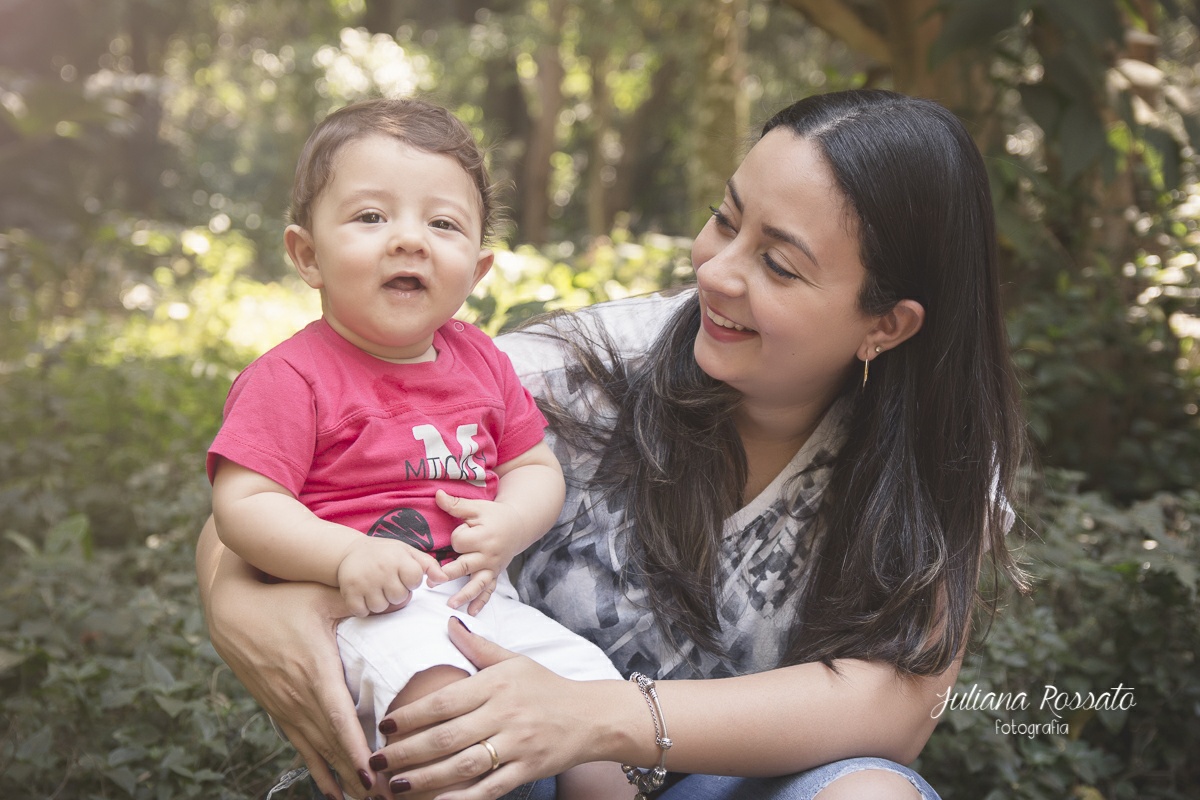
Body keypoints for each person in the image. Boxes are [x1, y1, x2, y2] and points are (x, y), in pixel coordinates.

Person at [197, 88, 1026, 800]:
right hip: (513, 764)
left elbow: (898, 706)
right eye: (725, 220)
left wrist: (599, 718)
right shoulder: (583, 369)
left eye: (778, 264)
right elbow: (276, 491)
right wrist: (239, 605)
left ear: (887, 324)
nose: (715, 272)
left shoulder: (937, 456)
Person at [205, 97, 630, 800]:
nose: (410, 240)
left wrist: (510, 521)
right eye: (372, 217)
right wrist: (344, 555)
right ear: (307, 255)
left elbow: (532, 465)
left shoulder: (482, 360)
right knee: (443, 712)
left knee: (594, 705)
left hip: (482, 603)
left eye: (443, 223)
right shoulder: (290, 378)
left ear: (478, 269)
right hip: (366, 614)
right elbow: (243, 506)